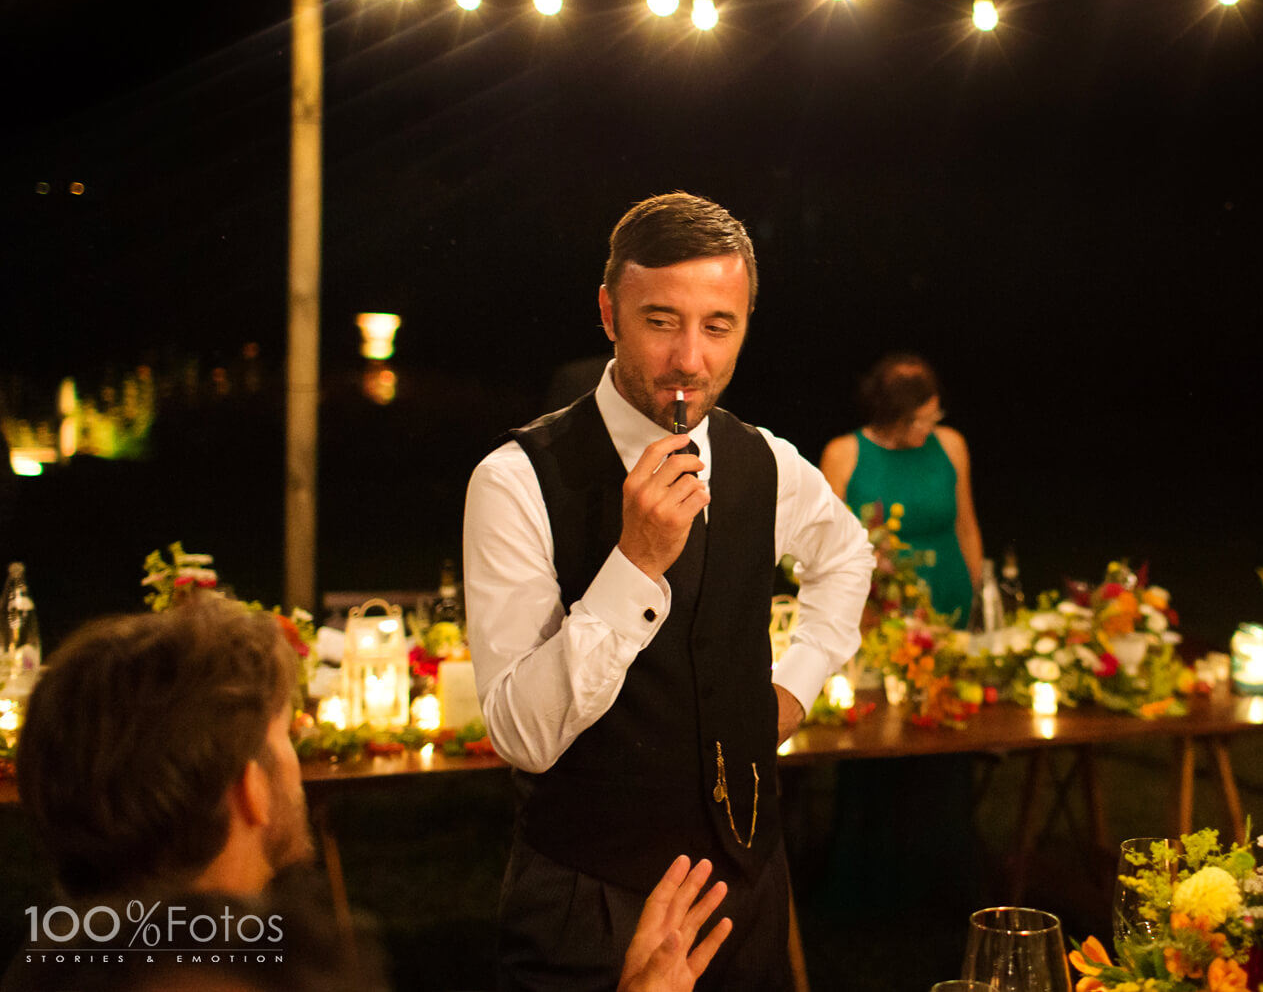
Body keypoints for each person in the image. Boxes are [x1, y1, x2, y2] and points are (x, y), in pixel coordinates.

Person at [463, 191, 873, 992]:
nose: (690, 357)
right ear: (609, 312)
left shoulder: (765, 461)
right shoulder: (515, 481)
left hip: (746, 881)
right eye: (661, 320)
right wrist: (635, 564)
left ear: (747, 323)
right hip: (590, 897)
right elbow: (521, 734)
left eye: (718, 325)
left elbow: (846, 555)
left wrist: (794, 686)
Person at [7, 600, 726, 992]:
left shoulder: (52, 963)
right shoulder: (230, 976)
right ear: (249, 791)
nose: (295, 760)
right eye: (285, 735)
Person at [818, 353, 983, 626]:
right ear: (890, 416)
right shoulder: (843, 454)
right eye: (919, 421)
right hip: (878, 609)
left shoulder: (951, 445)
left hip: (950, 596)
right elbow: (827, 545)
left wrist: (975, 591)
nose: (929, 428)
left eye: (934, 417)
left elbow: (966, 526)